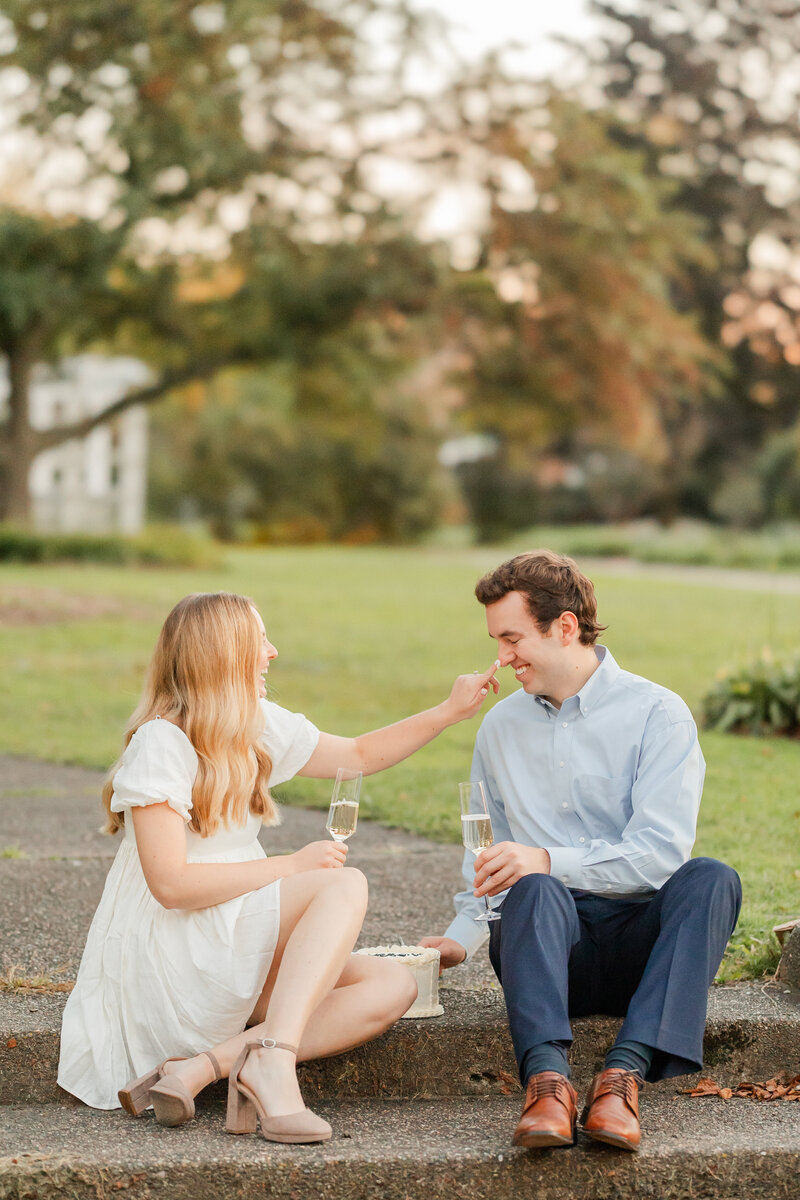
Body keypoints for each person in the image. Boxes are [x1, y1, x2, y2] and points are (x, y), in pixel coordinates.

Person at [58, 591, 499, 1143]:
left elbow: (358, 756)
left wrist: (449, 712)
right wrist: (288, 866)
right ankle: (273, 1063)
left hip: (230, 938)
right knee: (342, 885)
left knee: (393, 984)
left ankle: (211, 1066)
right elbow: (171, 886)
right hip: (178, 956)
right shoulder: (161, 743)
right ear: (223, 654)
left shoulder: (255, 724)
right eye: (258, 641)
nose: (272, 652)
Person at [421, 551, 741, 1153]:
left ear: (565, 627)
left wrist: (544, 856)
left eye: (513, 639)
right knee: (535, 889)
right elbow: (487, 851)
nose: (502, 658)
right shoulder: (500, 728)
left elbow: (660, 856)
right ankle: (547, 1085)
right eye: (496, 641)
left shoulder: (658, 714)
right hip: (546, 948)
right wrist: (460, 936)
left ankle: (622, 1080)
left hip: (640, 952)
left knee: (710, 878)